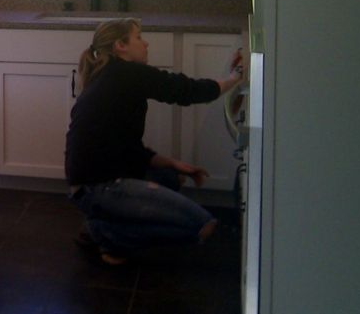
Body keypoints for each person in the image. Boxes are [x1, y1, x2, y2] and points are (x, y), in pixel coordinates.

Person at [65, 18, 243, 265]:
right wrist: (236, 77)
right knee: (202, 226)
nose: (146, 43)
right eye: (139, 37)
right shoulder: (126, 74)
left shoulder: (110, 74)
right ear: (121, 45)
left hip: (91, 184)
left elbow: (126, 146)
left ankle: (103, 222)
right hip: (99, 187)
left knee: (171, 177)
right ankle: (106, 233)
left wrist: (172, 163)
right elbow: (186, 90)